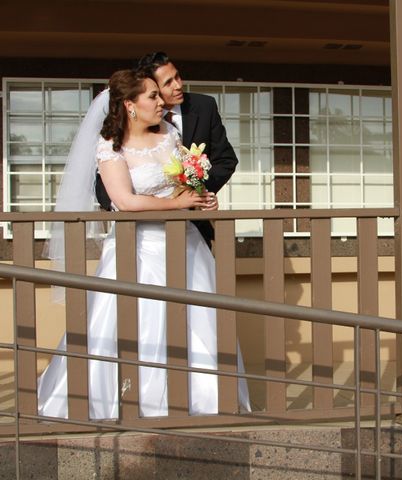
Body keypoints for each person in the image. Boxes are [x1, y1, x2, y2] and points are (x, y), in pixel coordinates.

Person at [37, 69, 250, 419]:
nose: (160, 101)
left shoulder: (169, 133)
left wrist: (200, 198)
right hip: (138, 248)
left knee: (199, 321)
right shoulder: (111, 148)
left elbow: (186, 185)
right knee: (134, 324)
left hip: (187, 246)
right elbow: (125, 200)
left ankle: (206, 401)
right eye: (152, 95)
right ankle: (131, 403)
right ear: (130, 105)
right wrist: (177, 205)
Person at [96, 51, 237, 245]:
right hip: (138, 234)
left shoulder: (197, 111)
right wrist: (124, 205)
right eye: (168, 83)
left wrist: (199, 193)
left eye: (177, 76)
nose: (178, 85)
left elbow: (225, 160)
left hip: (189, 229)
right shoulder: (116, 137)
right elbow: (109, 187)